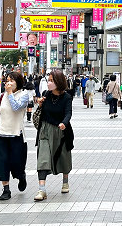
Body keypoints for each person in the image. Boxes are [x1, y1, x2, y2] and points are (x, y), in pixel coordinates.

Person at [0, 71, 29, 201]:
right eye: (7, 80)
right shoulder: (2, 96)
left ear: (18, 82)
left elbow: (16, 107)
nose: (8, 83)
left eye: (11, 81)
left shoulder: (24, 95)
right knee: (2, 162)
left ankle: (21, 176)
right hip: (1, 134)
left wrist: (10, 93)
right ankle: (6, 189)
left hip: (16, 134)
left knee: (17, 162)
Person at [33, 69, 74, 201]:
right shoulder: (46, 94)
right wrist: (40, 105)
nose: (49, 83)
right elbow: (42, 111)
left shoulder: (67, 97)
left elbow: (68, 113)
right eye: (48, 80)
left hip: (61, 131)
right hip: (45, 130)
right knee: (43, 158)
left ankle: (65, 182)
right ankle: (42, 190)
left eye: (51, 80)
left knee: (63, 157)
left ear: (59, 82)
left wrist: (64, 123)